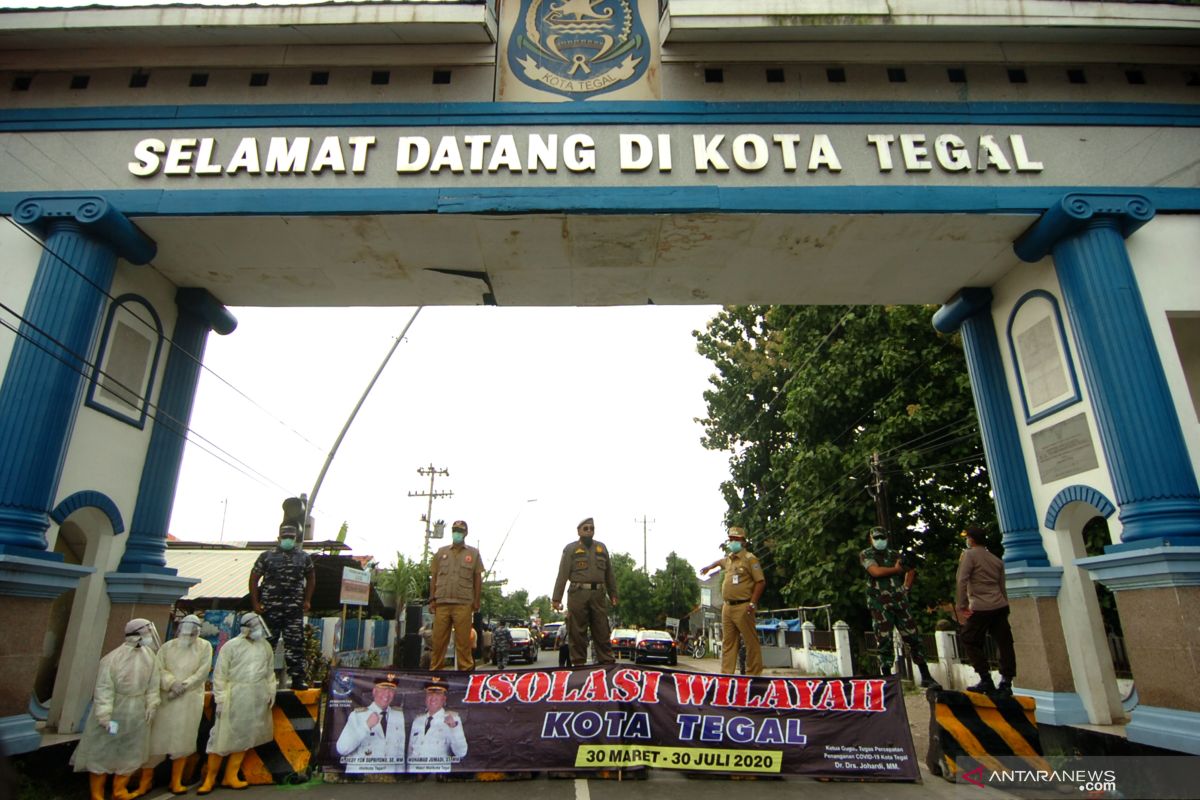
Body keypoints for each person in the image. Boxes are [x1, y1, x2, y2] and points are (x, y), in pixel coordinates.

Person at [71, 619, 162, 800]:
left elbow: (154, 683)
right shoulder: (113, 658)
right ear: (136, 634)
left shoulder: (149, 656)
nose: (149, 637)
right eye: (145, 633)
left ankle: (119, 791)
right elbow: (104, 688)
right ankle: (97, 794)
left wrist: (152, 703)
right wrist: (104, 715)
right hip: (115, 711)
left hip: (137, 712)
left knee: (131, 751)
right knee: (102, 752)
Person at [198, 612, 276, 795]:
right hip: (234, 694)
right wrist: (221, 698)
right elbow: (220, 674)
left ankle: (230, 776)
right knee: (220, 738)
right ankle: (210, 779)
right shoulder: (232, 646)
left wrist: (270, 691)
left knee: (245, 736)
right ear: (246, 628)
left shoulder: (265, 646)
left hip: (255, 695)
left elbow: (269, 672)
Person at [858, 526, 939, 688]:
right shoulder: (867, 554)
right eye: (877, 538)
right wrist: (896, 569)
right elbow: (875, 572)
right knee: (884, 640)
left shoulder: (895, 555)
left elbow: (910, 569)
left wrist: (906, 588)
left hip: (900, 602)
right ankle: (887, 680)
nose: (880, 541)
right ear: (871, 539)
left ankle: (926, 676)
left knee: (914, 637)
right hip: (880, 604)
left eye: (882, 537)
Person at [145, 615, 212, 795]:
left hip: (189, 698)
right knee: (157, 739)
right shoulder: (167, 647)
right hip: (167, 698)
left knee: (183, 739)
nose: (190, 635)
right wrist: (171, 683)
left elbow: (203, 671)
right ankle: (146, 781)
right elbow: (159, 669)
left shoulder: (204, 647)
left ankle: (176, 781)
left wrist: (184, 686)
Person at [248, 524, 315, 690]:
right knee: (265, 643)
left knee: (295, 643)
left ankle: (298, 677)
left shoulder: (304, 557)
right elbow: (254, 579)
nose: (287, 541)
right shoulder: (266, 556)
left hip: (294, 609)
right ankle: (258, 676)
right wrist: (255, 603)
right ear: (279, 538)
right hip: (270, 608)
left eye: (291, 538)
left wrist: (307, 600)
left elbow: (311, 578)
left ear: (295, 539)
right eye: (285, 537)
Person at [956, 527, 1016, 696]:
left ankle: (985, 678)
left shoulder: (969, 555)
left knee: (969, 639)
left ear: (971, 540)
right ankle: (1006, 681)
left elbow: (961, 580)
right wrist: (1005, 605)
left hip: (981, 606)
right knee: (1004, 643)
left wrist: (962, 605)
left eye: (967, 537)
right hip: (1000, 605)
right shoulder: (996, 560)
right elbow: (1002, 586)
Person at [552, 517, 618, 666]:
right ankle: (579, 664)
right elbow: (562, 574)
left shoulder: (601, 548)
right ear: (579, 531)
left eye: (592, 528)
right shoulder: (571, 549)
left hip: (598, 595)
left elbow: (609, 574)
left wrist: (613, 593)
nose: (589, 531)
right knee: (577, 632)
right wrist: (557, 598)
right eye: (586, 528)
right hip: (578, 594)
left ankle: (607, 663)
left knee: (602, 629)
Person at [700, 527, 765, 675]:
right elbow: (719, 562)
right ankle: (726, 675)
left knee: (750, 642)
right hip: (727, 607)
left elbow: (760, 582)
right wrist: (709, 567)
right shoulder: (729, 559)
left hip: (744, 606)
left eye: (735, 539)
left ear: (743, 542)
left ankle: (753, 675)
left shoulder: (750, 559)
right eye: (730, 539)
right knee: (728, 643)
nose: (732, 542)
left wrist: (752, 603)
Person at [429, 520, 483, 671]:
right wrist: (432, 599)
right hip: (442, 603)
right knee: (438, 641)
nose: (457, 533)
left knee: (463, 642)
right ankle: (435, 672)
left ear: (465, 533)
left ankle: (465, 674)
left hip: (464, 603)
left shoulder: (473, 553)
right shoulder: (441, 552)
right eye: (455, 530)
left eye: (460, 530)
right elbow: (433, 577)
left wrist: (476, 601)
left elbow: (478, 579)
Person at [335, 675, 406, 773]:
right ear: (374, 691)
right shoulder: (358, 716)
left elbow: (400, 754)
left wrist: (400, 777)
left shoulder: (399, 716)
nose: (387, 694)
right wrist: (366, 726)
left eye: (391, 690)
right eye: (383, 689)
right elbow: (342, 749)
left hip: (389, 780)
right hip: (363, 779)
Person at [406, 677, 467, 773]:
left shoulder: (452, 719)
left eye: (438, 693)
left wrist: (453, 728)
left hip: (436, 777)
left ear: (444, 699)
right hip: (415, 774)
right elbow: (410, 751)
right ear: (426, 698)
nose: (433, 697)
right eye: (430, 693)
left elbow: (461, 753)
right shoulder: (418, 720)